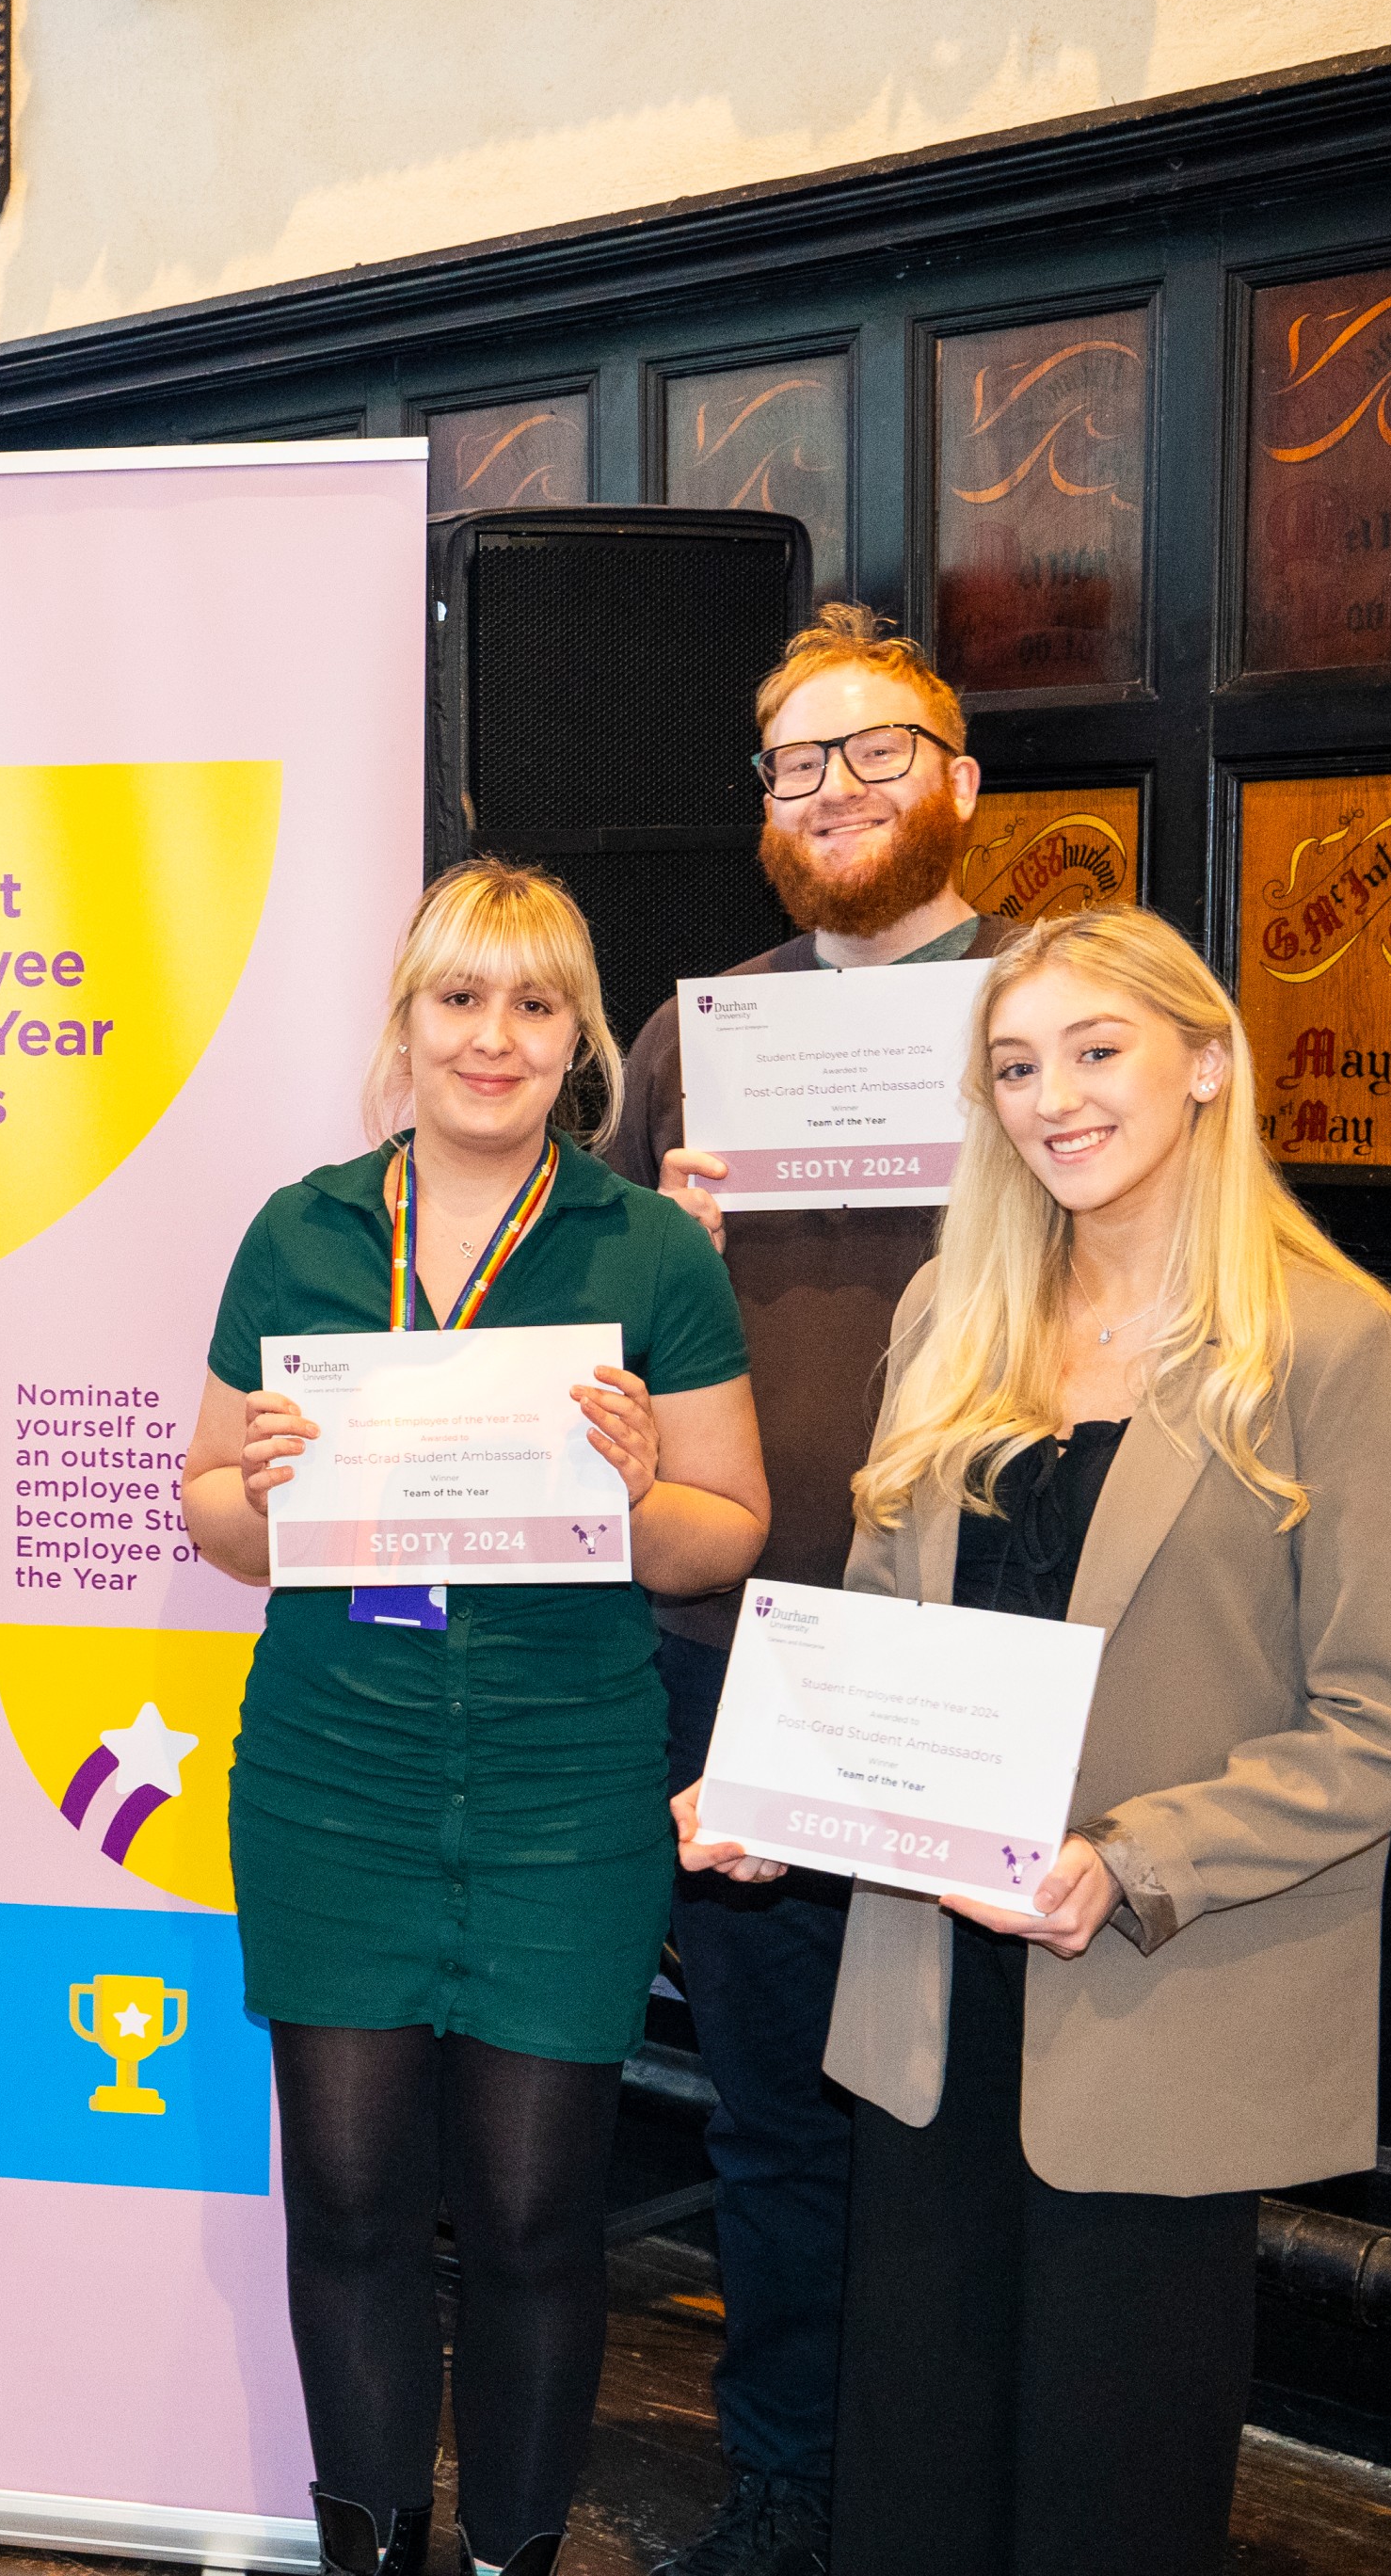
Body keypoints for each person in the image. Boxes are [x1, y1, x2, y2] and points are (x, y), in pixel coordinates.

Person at [679, 904, 1391, 2576]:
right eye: (1018, 1066)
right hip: (931, 2010)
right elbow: (888, 1636)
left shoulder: (1333, 1349)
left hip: (1158, 1998)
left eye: (1097, 1051)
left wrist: (1131, 1863)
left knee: (1107, 2488)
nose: (1056, 1098)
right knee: (917, 2475)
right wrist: (777, 1797)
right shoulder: (954, 1324)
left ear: (1208, 1064)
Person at [181, 860, 770, 2576]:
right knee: (351, 2205)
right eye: (460, 1000)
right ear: (407, 1023)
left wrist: (643, 1481)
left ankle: (514, 2555)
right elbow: (211, 1508)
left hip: (564, 1790)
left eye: (533, 1006)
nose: (492, 1040)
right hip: (330, 1777)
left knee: (528, 2218)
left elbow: (723, 1534)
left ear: (578, 1038)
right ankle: (367, 2551)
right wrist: (261, 1488)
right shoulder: (298, 1229)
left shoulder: (645, 1246)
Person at [603, 600, 1011, 2576]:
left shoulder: (1053, 1010)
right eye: (796, 758)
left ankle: (953, 2470)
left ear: (960, 784)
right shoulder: (700, 1032)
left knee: (986, 2113)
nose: (834, 788)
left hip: (993, 1651)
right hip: (737, 1651)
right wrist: (647, 1253)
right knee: (771, 2110)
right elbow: (585, 1345)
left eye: (877, 748)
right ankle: (785, 2476)